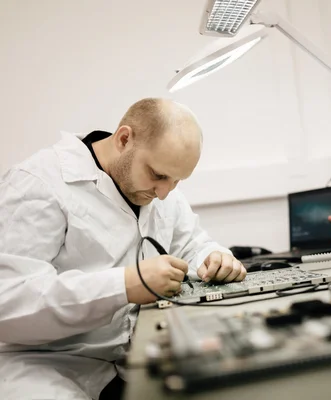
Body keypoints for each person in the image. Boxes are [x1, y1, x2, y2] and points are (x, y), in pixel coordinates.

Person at [0, 98, 247, 399]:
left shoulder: (161, 192)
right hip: (50, 366)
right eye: (158, 175)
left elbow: (193, 244)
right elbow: (9, 302)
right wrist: (125, 284)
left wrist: (214, 257)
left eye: (177, 180)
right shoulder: (37, 183)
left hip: (139, 361)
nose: (165, 192)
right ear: (124, 139)